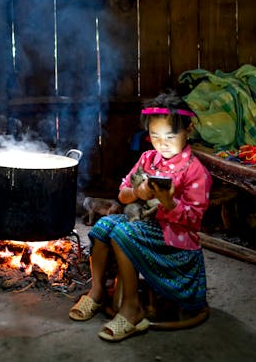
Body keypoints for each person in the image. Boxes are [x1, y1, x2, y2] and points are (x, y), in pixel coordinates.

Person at [68, 90, 211, 341]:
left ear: (188, 130)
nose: (161, 143)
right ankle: (98, 291)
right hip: (145, 224)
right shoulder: (148, 158)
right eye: (155, 136)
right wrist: (137, 191)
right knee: (103, 226)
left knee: (124, 232)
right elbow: (122, 195)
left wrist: (169, 202)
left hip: (175, 239)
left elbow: (194, 221)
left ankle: (132, 308)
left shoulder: (195, 170)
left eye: (170, 136)